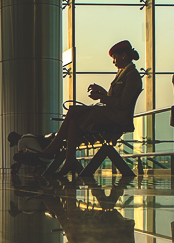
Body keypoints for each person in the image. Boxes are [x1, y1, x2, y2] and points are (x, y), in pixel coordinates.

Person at [37, 40, 143, 175]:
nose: (113, 62)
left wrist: (101, 97)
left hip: (116, 118)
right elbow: (116, 99)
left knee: (74, 111)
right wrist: (102, 92)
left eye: (115, 58)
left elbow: (122, 104)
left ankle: (54, 146)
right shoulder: (124, 73)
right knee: (73, 122)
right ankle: (69, 160)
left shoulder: (132, 76)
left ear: (123, 56)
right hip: (111, 114)